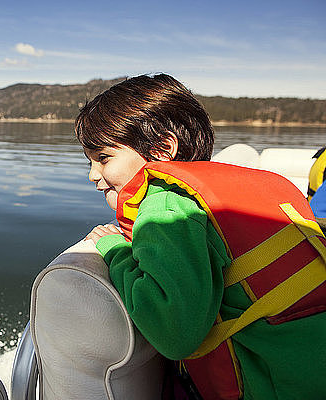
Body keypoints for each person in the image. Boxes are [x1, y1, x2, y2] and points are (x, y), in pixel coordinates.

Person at [76, 74, 326, 400]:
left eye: (103, 158)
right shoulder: (256, 182)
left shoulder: (167, 204)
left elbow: (175, 333)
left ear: (164, 148)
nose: (92, 174)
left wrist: (114, 248)